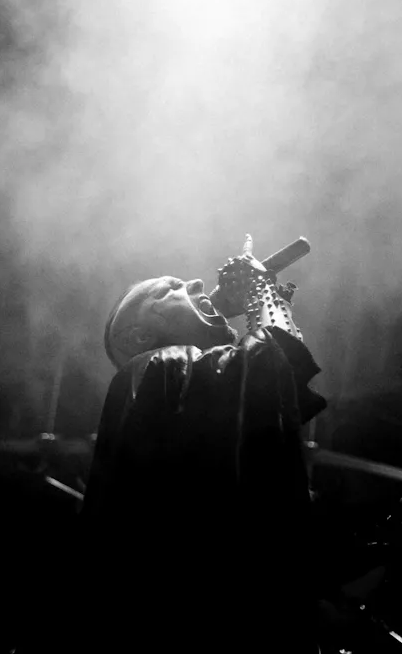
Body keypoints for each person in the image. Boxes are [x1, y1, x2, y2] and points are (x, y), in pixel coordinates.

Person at [80, 236, 326, 654]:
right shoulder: (152, 369)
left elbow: (274, 391)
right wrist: (259, 289)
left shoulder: (193, 394)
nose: (194, 282)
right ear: (139, 336)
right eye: (169, 289)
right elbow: (278, 363)